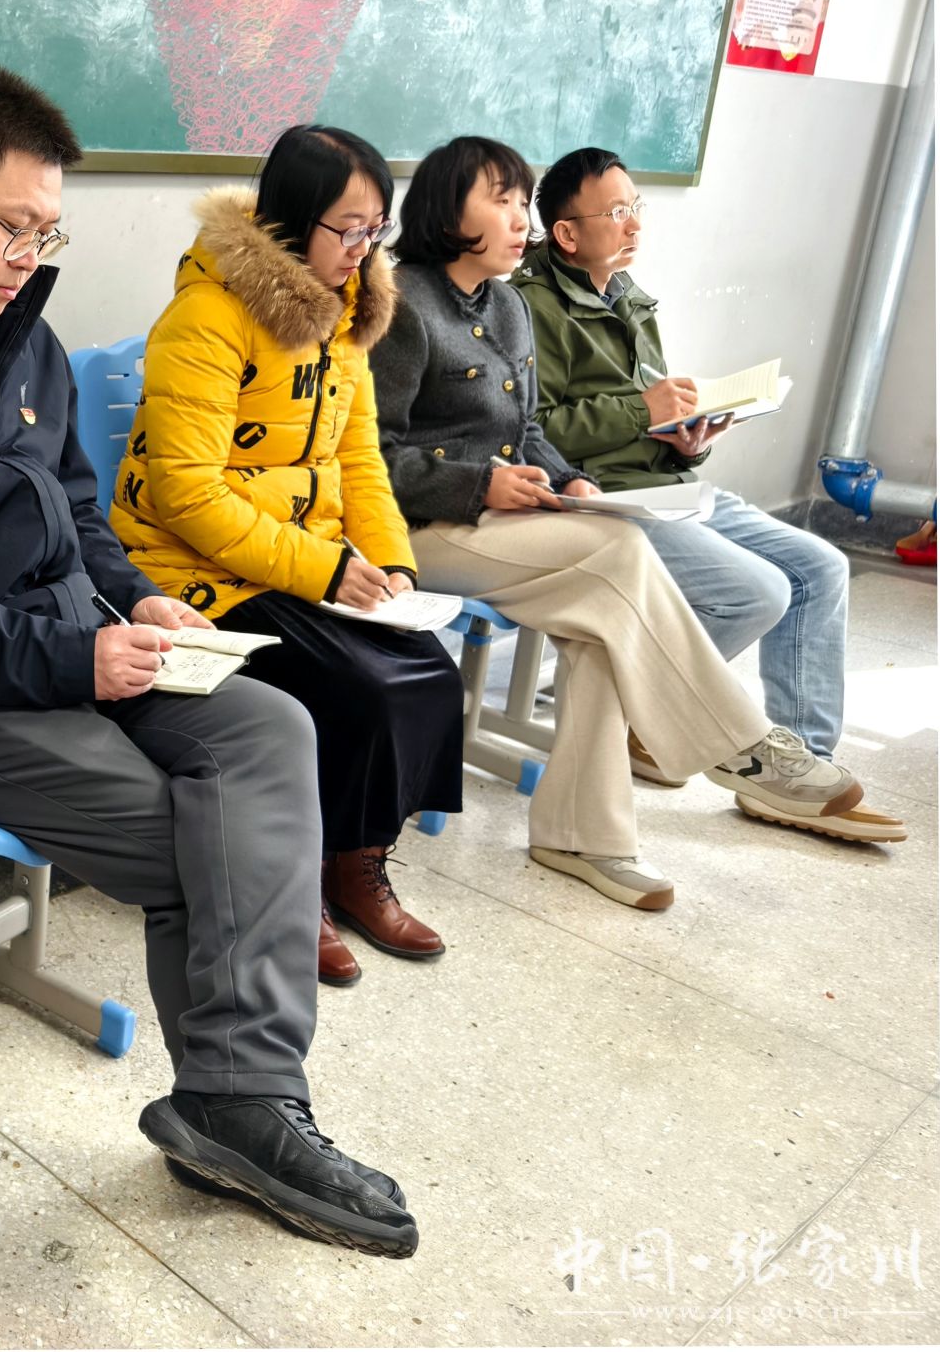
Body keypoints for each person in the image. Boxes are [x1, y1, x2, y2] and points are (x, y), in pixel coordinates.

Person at [0, 68, 418, 1258]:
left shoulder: (28, 343)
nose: (29, 257)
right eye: (12, 227)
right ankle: (241, 1104)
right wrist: (78, 658)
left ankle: (238, 1101)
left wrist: (134, 596)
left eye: (47, 232)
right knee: (195, 837)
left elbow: (77, 512)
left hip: (77, 645)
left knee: (271, 728)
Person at [370, 135, 888, 911]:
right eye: (501, 201)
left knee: (602, 626)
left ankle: (584, 837)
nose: (520, 220)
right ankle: (744, 747)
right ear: (448, 213)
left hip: (509, 523)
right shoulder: (401, 304)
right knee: (617, 551)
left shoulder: (506, 306)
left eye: (522, 202)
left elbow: (528, 427)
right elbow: (370, 457)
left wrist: (570, 478)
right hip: (419, 529)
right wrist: (481, 483)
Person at [107, 125, 461, 988]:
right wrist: (324, 568)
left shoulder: (348, 313)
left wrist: (393, 565)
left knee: (425, 669)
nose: (363, 249)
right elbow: (188, 495)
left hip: (299, 561)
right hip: (192, 568)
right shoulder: (209, 315)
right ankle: (297, 887)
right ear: (296, 220)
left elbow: (360, 459)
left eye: (376, 229)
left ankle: (358, 862)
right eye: (348, 228)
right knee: (353, 685)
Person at [513, 146, 902, 843]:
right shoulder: (528, 307)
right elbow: (528, 432)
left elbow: (650, 413)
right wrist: (642, 412)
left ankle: (803, 760)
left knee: (821, 567)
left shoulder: (627, 293)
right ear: (566, 233)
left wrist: (689, 439)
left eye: (636, 206)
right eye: (617, 211)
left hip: (669, 484)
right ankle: (660, 724)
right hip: (605, 500)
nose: (635, 223)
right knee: (756, 592)